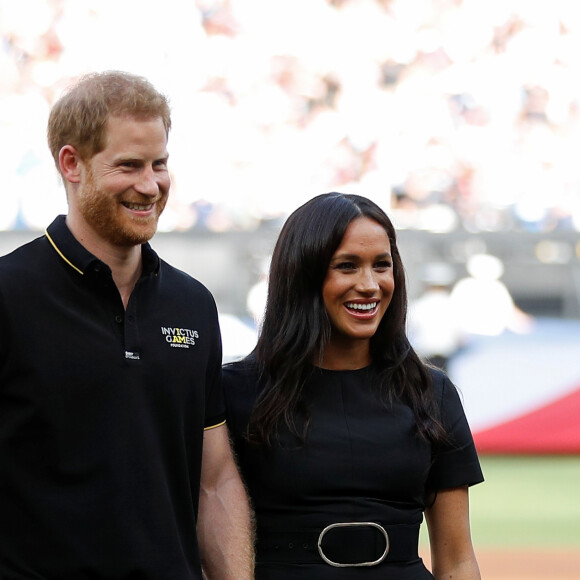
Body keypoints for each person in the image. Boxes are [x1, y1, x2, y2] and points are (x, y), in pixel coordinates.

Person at [0, 71, 253, 579]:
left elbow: (215, 478)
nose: (150, 185)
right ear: (71, 164)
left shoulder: (193, 305)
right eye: (129, 166)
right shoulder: (9, 294)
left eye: (159, 164)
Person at [223, 192, 483, 579]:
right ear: (303, 275)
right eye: (347, 266)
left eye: (382, 265)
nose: (370, 285)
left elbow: (458, 560)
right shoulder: (234, 393)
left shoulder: (432, 392)